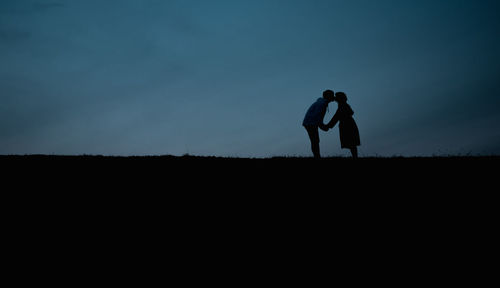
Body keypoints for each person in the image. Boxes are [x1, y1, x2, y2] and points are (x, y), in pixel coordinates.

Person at [326, 92, 361, 158]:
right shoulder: (343, 105)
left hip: (348, 125)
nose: (334, 97)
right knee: (351, 143)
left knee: (351, 143)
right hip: (348, 124)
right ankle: (355, 156)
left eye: (336, 96)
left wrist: (327, 126)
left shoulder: (342, 105)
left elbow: (336, 117)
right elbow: (337, 116)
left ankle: (355, 157)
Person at [302, 90, 336, 158]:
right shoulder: (322, 104)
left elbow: (318, 117)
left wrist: (321, 125)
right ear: (328, 96)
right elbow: (317, 116)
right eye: (332, 95)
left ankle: (317, 156)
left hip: (310, 122)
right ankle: (317, 156)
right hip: (310, 123)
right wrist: (322, 126)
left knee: (315, 140)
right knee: (315, 140)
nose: (333, 96)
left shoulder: (322, 103)